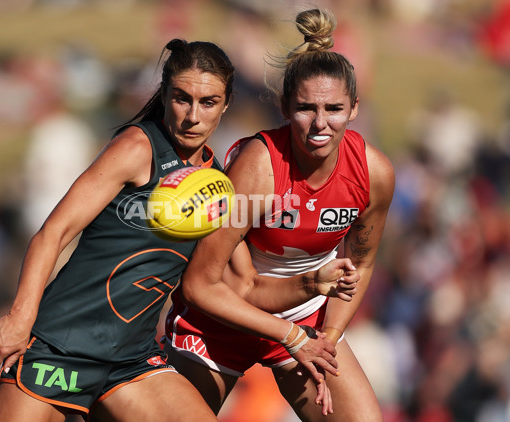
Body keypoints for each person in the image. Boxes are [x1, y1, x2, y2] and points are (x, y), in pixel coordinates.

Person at [0, 38, 358, 422]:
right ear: (164, 96)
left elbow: (244, 285)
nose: (193, 116)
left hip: (131, 363)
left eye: (208, 102)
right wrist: (20, 318)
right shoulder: (136, 147)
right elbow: (52, 233)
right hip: (59, 346)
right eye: (182, 98)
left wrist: (311, 285)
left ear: (225, 105)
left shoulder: (217, 186)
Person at [164, 9, 395, 421]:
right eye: (306, 108)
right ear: (285, 106)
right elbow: (201, 283)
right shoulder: (259, 170)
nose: (320, 124)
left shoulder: (373, 173)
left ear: (355, 108)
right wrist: (292, 337)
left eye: (335, 109)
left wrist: (328, 338)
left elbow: (360, 260)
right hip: (224, 317)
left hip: (303, 318)